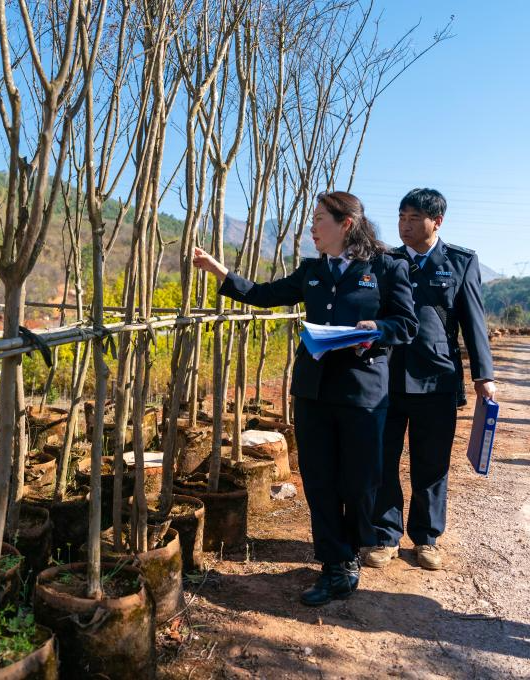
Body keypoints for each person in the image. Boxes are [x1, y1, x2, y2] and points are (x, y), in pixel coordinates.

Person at [193, 191, 417, 606]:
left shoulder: (386, 267)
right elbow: (263, 294)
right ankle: (336, 564)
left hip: (362, 393)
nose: (312, 228)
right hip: (313, 391)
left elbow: (406, 324)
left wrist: (376, 330)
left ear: (346, 223)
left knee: (360, 481)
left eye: (319, 219)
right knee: (319, 479)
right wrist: (219, 271)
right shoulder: (312, 271)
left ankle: (352, 547)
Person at [364, 188, 495, 571]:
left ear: (436, 222)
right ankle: (385, 535)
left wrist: (483, 375)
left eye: (413, 218)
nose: (404, 225)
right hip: (386, 376)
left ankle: (426, 538)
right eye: (401, 217)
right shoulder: (385, 261)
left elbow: (474, 321)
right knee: (382, 459)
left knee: (432, 463)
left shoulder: (459, 262)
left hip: (437, 378)